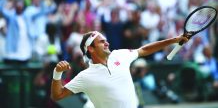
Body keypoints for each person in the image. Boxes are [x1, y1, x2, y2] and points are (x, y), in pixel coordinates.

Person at [50, 30, 189, 108]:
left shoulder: (120, 55)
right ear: (91, 49)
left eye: (106, 40)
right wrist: (57, 73)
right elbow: (57, 95)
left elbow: (144, 50)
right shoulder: (85, 76)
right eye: (101, 41)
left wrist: (174, 40)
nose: (107, 43)